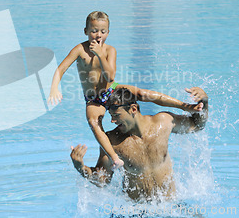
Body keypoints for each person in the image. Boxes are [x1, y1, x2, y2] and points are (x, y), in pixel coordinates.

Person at [49, 11, 203, 169]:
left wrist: (101, 55)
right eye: (94, 30)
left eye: (103, 31)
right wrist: (54, 88)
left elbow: (110, 77)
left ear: (108, 32)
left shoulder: (110, 51)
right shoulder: (80, 49)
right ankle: (114, 157)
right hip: (94, 100)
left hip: (112, 89)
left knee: (143, 93)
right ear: (86, 31)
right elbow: (60, 69)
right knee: (94, 122)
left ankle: (185, 106)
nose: (98, 35)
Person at [69, 86, 209, 202]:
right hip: (135, 212)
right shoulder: (112, 141)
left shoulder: (163, 122)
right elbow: (102, 181)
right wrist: (80, 167)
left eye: (116, 116)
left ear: (133, 109)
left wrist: (204, 101)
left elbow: (197, 125)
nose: (112, 121)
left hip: (170, 207)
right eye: (111, 116)